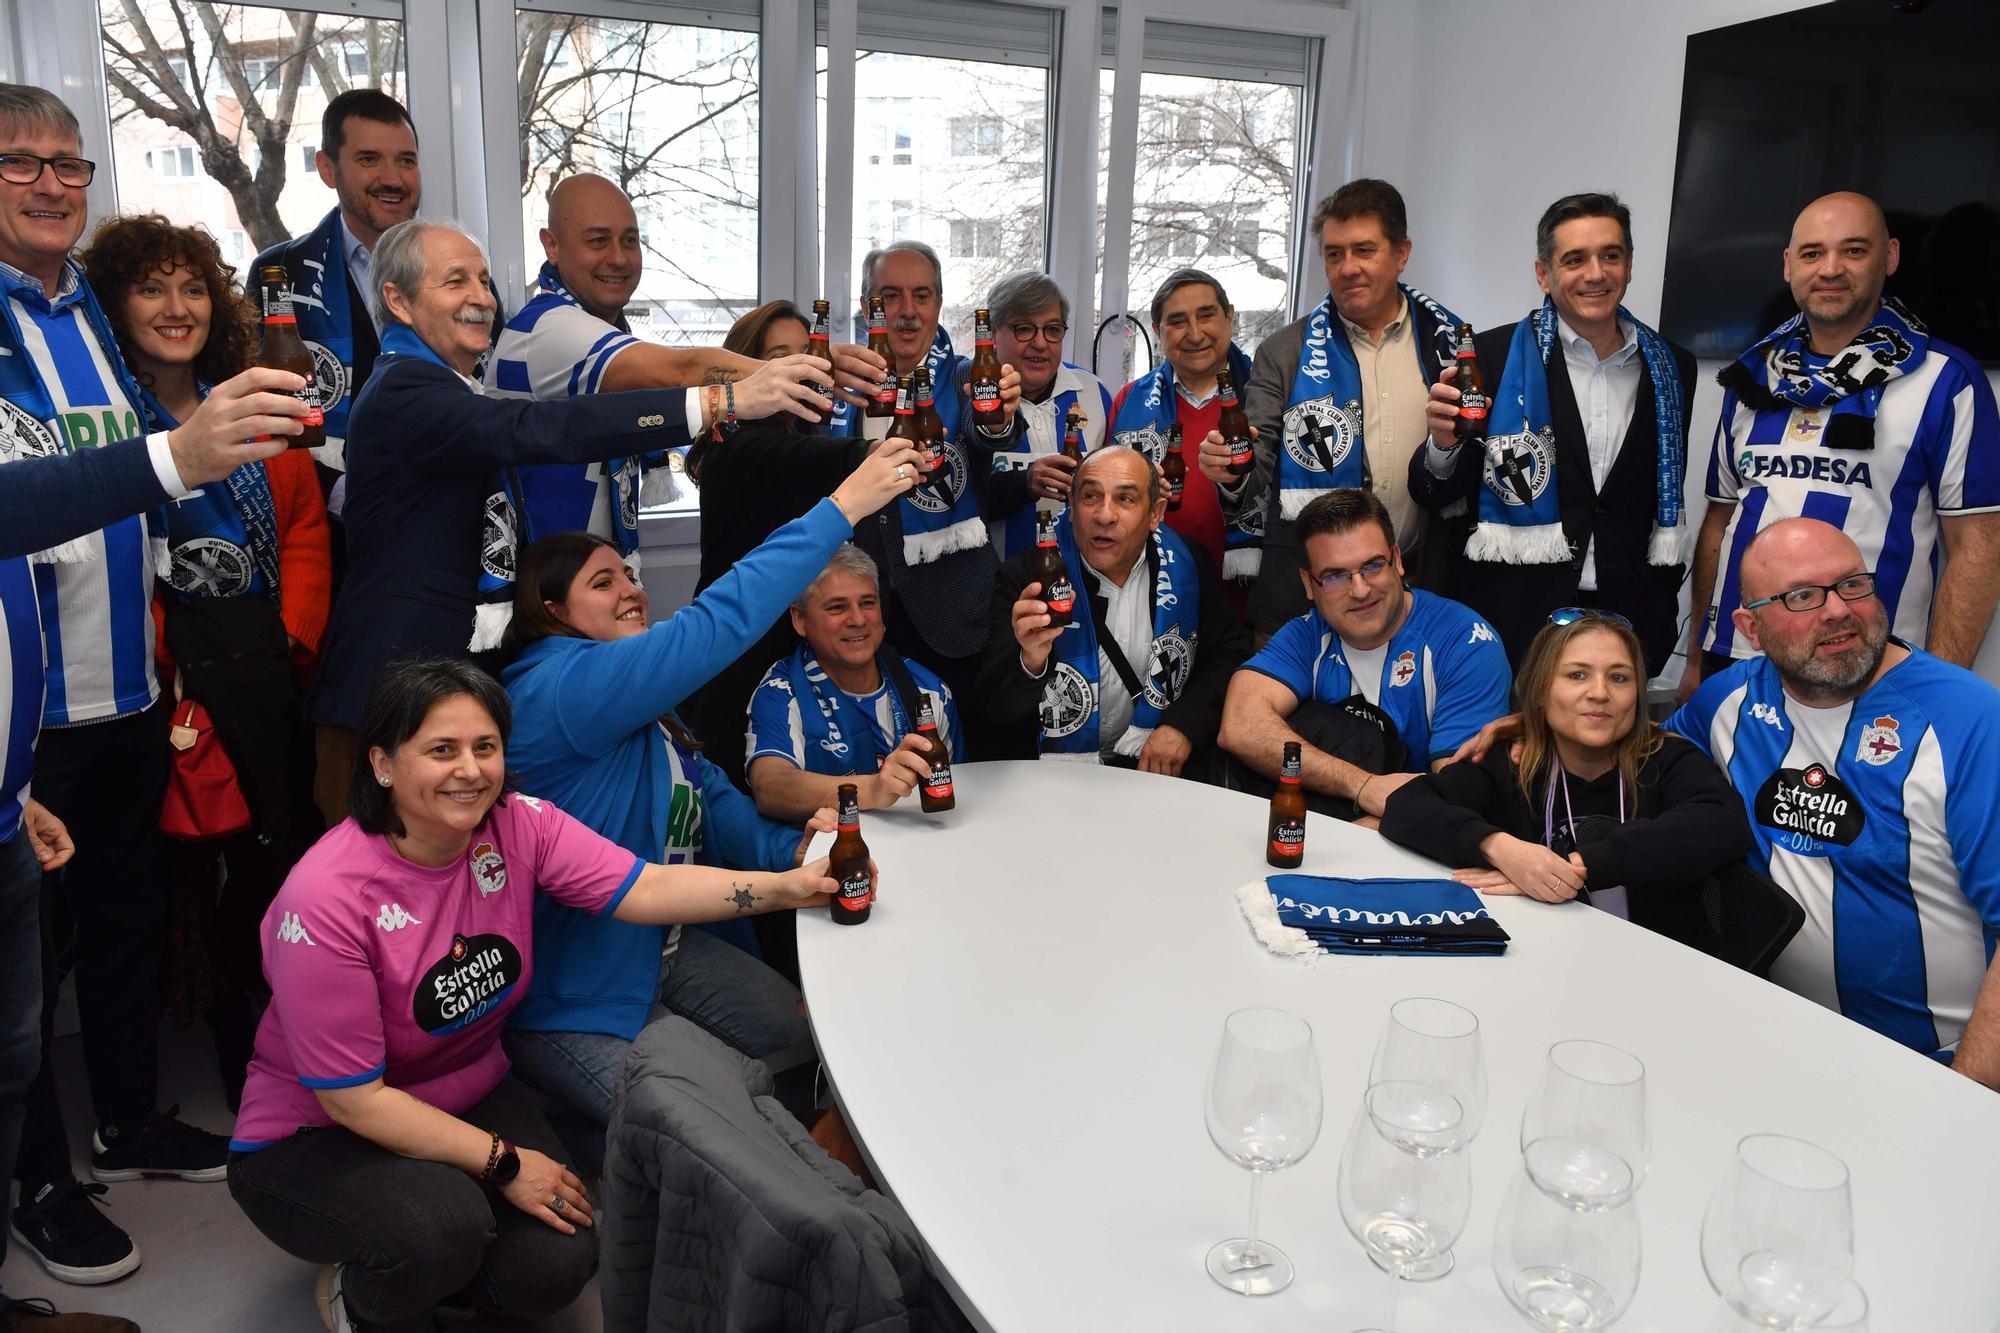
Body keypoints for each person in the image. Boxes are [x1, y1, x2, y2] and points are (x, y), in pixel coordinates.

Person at [225, 658, 842, 1332]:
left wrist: (785, 886)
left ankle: (442, 1262)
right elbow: (352, 1097)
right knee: (440, 1230)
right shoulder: (324, 899)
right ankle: (363, 1296)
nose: (470, 769)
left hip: (468, 1091)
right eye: (441, 749)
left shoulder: (519, 823)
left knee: (558, 1264)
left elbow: (646, 887)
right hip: (317, 1132)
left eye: (484, 746)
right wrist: (504, 1163)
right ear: (381, 763)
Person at [0, 83, 316, 1293]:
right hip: (23, 718)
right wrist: (170, 456)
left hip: (128, 690)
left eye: (69, 167)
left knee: (128, 930)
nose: (48, 185)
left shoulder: (86, 310)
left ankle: (127, 1123)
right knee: (22, 980)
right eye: (21, 163)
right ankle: (39, 1185)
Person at [305, 218, 832, 824]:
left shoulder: (450, 386)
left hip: (441, 685)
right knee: (384, 895)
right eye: (455, 281)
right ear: (397, 299)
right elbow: (543, 428)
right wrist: (722, 400)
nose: (481, 296)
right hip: (387, 693)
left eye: (483, 278)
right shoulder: (406, 389)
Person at [497, 451, 911, 1164]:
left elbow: (715, 803)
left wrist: (803, 854)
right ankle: (564, 1124)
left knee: (806, 1047)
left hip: (665, 947)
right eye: (605, 582)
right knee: (727, 1119)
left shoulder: (640, 704)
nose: (631, 589)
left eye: (630, 574)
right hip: (581, 990)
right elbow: (716, 622)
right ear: (553, 611)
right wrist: (841, 507)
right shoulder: (561, 686)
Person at [79, 213, 331, 1108]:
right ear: (112, 304)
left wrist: (288, 642)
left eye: (192, 286)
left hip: (264, 674)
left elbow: (304, 529)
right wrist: (174, 663)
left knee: (269, 872)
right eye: (151, 287)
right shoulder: (104, 422)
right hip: (159, 688)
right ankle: (153, 1072)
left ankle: (251, 1045)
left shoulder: (251, 398)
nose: (176, 306)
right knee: (154, 890)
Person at [1667, 518, 2000, 1085]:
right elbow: (1638, 756)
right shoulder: (1728, 701)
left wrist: (1965, 1100)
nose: (1838, 609)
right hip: (1772, 1043)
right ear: (1751, 627)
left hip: (1935, 1068)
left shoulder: (1969, 721)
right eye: (1803, 596)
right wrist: (1525, 730)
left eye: (1853, 584)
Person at [1678, 190, 2000, 702]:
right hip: (1738, 660)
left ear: (1890, 258)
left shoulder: (1946, 380)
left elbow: (1977, 545)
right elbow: (1720, 520)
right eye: (1812, 253)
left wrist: (1937, 687)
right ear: (1789, 266)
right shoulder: (1752, 374)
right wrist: (1696, 658)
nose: (1830, 268)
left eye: (1853, 251)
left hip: (1870, 667)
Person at [488, 175, 889, 556]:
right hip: (542, 588)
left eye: (630, 241)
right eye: (597, 241)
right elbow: (680, 370)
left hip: (590, 578)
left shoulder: (598, 328)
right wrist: (812, 366)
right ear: (551, 246)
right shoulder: (549, 328)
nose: (618, 257)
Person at [1412, 192, 1696, 676]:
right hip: (1509, 621)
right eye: (1574, 259)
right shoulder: (1489, 358)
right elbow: (1435, 492)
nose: (1596, 273)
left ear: (1629, 266)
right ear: (1543, 274)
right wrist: (1442, 446)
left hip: (1627, 621)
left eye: (1611, 255)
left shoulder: (1673, 368)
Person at [1380, 609, 1751, 938]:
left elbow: (1722, 821)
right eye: (1577, 675)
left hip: (1651, 968)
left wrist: (1570, 867)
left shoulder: (1666, 758)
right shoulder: (1510, 759)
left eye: (1619, 678)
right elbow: (1407, 806)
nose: (1600, 693)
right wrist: (1503, 850)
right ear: (1540, 691)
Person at [1213, 180, 1468, 636]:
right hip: (1303, 604)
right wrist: (1231, 471)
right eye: (1334, 254)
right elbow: (1256, 468)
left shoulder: (1452, 344)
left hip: (1419, 594)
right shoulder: (1285, 352)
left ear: (1402, 253)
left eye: (1364, 250)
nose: (1347, 268)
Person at [829, 241, 1020, 756]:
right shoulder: (840, 386)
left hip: (961, 623)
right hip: (866, 623)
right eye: (890, 296)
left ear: (938, 304)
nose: (907, 312)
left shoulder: (965, 379)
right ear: (869, 306)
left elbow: (993, 428)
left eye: (922, 295)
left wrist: (1001, 413)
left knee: (978, 775)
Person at [1218, 488, 1512, 815]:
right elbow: (1240, 726)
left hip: (1420, 841)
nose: (1360, 590)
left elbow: (1458, 796)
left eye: (1372, 566)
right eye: (1335, 576)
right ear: (1308, 584)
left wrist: (1354, 833)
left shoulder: (1464, 642)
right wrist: (1362, 785)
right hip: (1342, 821)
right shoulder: (1309, 632)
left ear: (1397, 560)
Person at [982, 447, 1250, 772]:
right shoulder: (1025, 577)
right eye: (1091, 496)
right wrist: (1029, 662)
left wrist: (1183, 726)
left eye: (1125, 499)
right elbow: (994, 711)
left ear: (1156, 513)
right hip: (1049, 778)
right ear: (1071, 505)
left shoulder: (1189, 564)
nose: (1104, 515)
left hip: (1150, 773)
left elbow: (1227, 656)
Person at [249, 88, 420, 521]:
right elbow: (265, 413)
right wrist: (345, 494)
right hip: (331, 520)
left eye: (406, 160)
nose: (393, 178)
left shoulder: (462, 272)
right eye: (368, 159)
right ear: (327, 168)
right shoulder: (280, 274)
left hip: (447, 514)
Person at [749, 544, 966, 816]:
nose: (858, 619)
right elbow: (770, 787)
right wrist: (872, 789)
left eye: (867, 603)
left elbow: (956, 790)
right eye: (837, 607)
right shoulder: (780, 691)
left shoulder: (930, 691)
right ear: (800, 620)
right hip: (827, 854)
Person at [1107, 268, 1254, 594]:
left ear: (1230, 318)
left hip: (1249, 598)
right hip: (1151, 596)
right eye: (1177, 321)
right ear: (1159, 331)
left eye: (1206, 315)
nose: (1195, 333)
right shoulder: (1128, 401)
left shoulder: (1266, 395)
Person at [980, 269, 1115, 561]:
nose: (1040, 343)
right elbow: (958, 503)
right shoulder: (969, 398)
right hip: (994, 588)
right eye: (1024, 328)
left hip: (1079, 582)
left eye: (1052, 329)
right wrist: (1023, 483)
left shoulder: (1094, 393)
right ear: (992, 334)